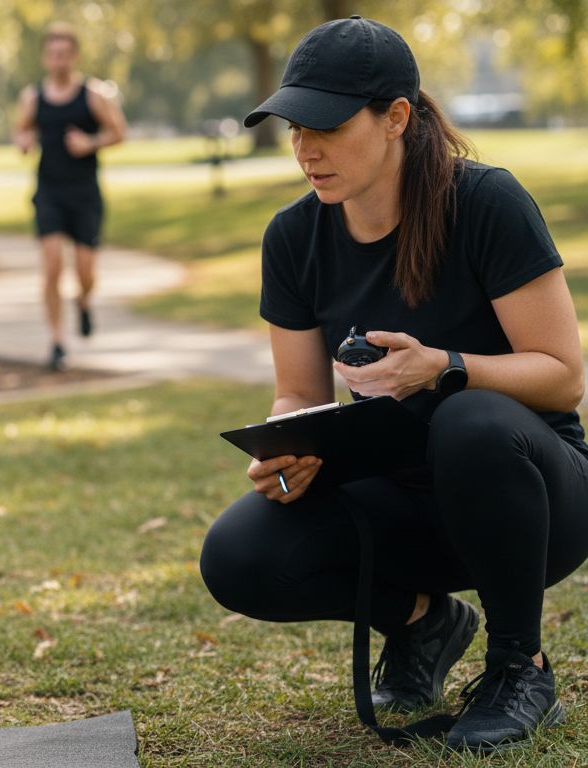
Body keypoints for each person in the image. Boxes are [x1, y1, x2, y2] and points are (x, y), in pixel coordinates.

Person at [199, 16, 588, 753]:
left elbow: (564, 378)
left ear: (396, 117)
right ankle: (422, 622)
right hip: (405, 504)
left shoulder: (487, 203)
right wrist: (285, 450)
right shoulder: (293, 236)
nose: (305, 149)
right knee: (238, 555)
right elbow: (297, 394)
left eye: (326, 126)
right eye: (294, 128)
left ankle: (520, 668)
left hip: (536, 499)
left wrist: (444, 365)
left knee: (468, 417)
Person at [13, 21, 127, 371]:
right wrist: (24, 141)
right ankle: (57, 341)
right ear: (45, 58)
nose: (58, 60)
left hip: (84, 194)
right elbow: (20, 131)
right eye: (53, 54)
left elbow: (119, 132)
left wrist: (90, 143)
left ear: (74, 56)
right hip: (48, 192)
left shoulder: (92, 95)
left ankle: (83, 301)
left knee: (85, 272)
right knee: (51, 268)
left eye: (64, 54)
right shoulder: (33, 97)